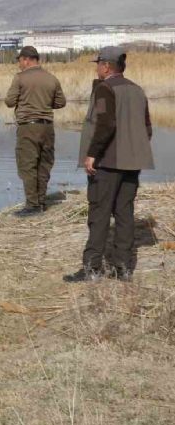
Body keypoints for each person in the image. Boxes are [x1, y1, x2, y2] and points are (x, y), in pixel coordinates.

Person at [64, 47, 153, 283]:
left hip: (107, 163)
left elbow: (105, 124)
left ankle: (92, 269)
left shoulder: (105, 89)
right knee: (125, 214)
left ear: (105, 66)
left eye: (98, 64)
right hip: (132, 164)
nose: (96, 68)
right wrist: (133, 153)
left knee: (99, 213)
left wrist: (93, 154)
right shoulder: (137, 90)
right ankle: (122, 269)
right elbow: (147, 130)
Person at [4, 45, 66, 216]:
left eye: (20, 61)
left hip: (28, 128)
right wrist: (44, 103)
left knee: (28, 165)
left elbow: (9, 101)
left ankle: (32, 206)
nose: (19, 65)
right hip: (47, 127)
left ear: (26, 59)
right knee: (44, 165)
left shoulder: (20, 78)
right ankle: (41, 201)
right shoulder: (51, 78)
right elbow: (61, 102)